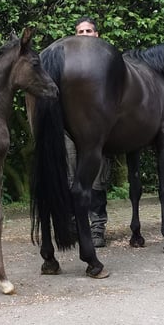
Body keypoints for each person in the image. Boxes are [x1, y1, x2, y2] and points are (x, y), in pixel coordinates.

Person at [65, 16, 112, 248]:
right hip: (71, 131)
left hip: (97, 132)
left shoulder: (107, 63)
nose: (84, 35)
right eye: (80, 32)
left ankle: (97, 228)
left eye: (88, 31)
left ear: (97, 35)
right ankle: (75, 225)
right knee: (72, 178)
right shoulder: (66, 63)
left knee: (97, 182)